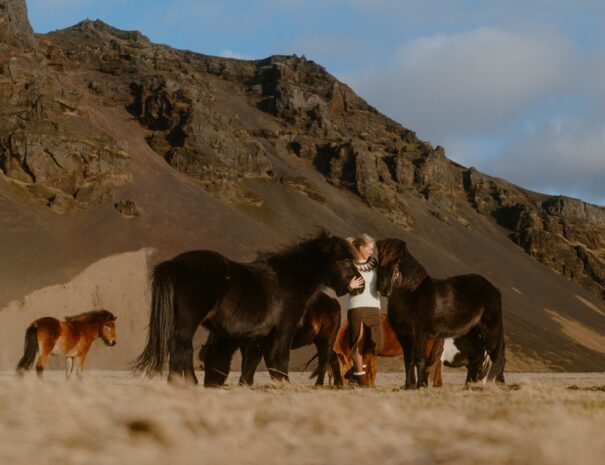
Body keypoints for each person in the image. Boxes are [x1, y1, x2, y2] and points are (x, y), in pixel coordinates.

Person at [346, 234, 383, 387]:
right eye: (370, 248)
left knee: (377, 343)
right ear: (361, 247)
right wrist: (349, 286)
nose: (372, 251)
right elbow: (340, 284)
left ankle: (354, 370)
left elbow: (384, 280)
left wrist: (396, 277)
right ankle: (361, 381)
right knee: (357, 342)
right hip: (356, 306)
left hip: (374, 306)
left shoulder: (374, 263)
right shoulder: (348, 264)